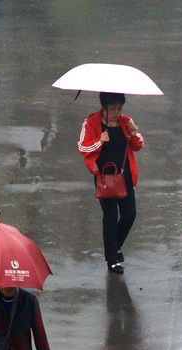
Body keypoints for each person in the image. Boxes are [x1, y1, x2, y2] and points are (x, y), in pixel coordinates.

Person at [77, 91, 145, 275]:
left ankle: (116, 246)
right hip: (104, 178)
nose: (117, 112)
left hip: (125, 176)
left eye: (119, 108)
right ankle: (112, 260)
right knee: (110, 217)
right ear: (104, 107)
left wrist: (134, 132)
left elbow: (138, 146)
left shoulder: (126, 122)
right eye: (113, 108)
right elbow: (83, 147)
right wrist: (99, 141)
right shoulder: (91, 122)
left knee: (130, 214)